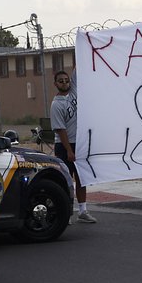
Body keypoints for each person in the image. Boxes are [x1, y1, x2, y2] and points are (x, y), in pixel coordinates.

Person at [50, 68, 97, 223]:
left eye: (66, 80)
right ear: (55, 83)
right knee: (66, 180)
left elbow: (79, 66)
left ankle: (83, 210)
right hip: (65, 145)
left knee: (82, 178)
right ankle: (66, 211)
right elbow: (60, 129)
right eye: (61, 81)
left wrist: (83, 44)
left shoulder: (74, 91)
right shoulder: (56, 104)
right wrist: (69, 151)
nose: (65, 83)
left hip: (80, 142)